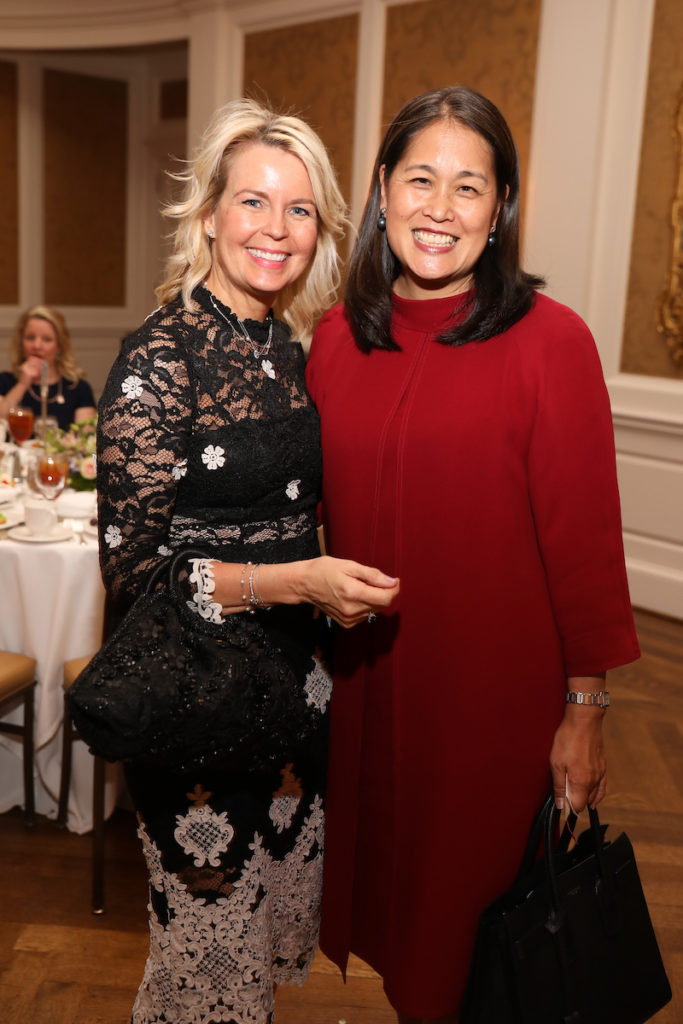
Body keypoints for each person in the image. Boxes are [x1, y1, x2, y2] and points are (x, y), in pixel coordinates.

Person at [305, 86, 640, 1023]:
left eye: (468, 186)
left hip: (488, 713)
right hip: (372, 695)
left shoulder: (550, 344)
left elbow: (583, 546)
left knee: (472, 942)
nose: (439, 209)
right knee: (405, 936)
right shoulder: (335, 340)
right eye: (420, 179)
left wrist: (585, 707)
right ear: (381, 189)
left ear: (499, 210)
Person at [96, 98, 399, 1024]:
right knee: (202, 958)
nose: (276, 229)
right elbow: (137, 576)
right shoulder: (159, 361)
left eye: (299, 210)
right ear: (211, 214)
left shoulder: (292, 350)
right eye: (254, 202)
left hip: (294, 702)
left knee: (251, 964)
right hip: (192, 706)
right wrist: (295, 579)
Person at [0, 305, 97, 430]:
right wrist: (22, 384)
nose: (37, 345)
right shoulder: (5, 381)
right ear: (21, 342)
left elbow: (84, 438)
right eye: (30, 338)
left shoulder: (79, 388)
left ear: (59, 346)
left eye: (47, 339)